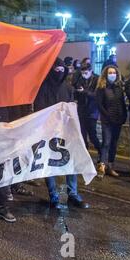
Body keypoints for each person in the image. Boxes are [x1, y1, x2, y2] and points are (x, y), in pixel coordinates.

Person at [34, 58, 89, 210]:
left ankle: (73, 194)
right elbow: (40, 110)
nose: (58, 72)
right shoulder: (42, 88)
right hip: (48, 132)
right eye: (55, 69)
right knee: (49, 163)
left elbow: (71, 110)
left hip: (66, 132)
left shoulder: (68, 88)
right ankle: (54, 196)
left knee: (70, 162)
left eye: (61, 69)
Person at [96, 66, 127, 178]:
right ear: (105, 74)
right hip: (107, 121)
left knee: (114, 144)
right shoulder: (101, 88)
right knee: (106, 143)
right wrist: (107, 116)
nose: (112, 74)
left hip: (117, 120)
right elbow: (99, 105)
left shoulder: (119, 87)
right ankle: (102, 167)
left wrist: (124, 116)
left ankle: (110, 166)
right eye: (110, 72)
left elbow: (122, 103)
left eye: (114, 72)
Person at [73, 64, 101, 161]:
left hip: (92, 111)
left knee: (92, 135)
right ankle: (85, 156)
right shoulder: (80, 79)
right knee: (82, 134)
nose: (84, 74)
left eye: (86, 73)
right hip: (81, 110)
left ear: (90, 71)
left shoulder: (97, 80)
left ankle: (101, 152)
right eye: (82, 73)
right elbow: (76, 92)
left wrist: (84, 91)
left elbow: (96, 96)